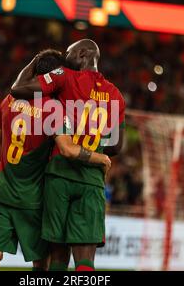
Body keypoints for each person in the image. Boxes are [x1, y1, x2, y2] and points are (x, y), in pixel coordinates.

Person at [0, 49, 111, 271]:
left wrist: (16, 168)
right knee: (41, 263)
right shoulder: (53, 109)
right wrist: (100, 158)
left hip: (1, 191)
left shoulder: (9, 100)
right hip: (33, 198)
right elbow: (67, 148)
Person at [11, 39, 126, 271]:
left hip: (60, 175)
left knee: (58, 258)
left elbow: (18, 89)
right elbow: (115, 146)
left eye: (69, 52)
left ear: (82, 53)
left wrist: (37, 59)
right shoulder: (116, 95)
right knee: (85, 261)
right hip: (92, 180)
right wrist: (92, 143)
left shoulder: (65, 76)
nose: (65, 57)